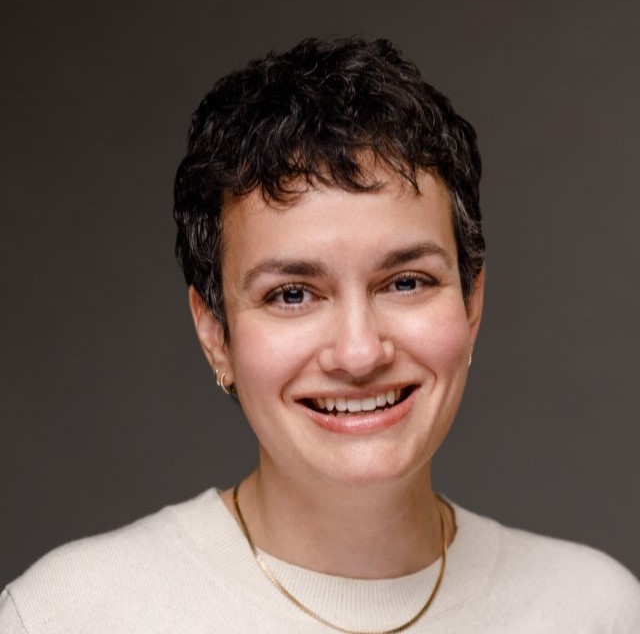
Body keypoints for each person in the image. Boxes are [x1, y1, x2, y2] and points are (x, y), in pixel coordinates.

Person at [1, 37, 639, 634]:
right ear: (215, 333)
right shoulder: (69, 615)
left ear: (472, 302)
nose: (360, 353)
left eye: (406, 282)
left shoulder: (596, 611)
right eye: (292, 294)